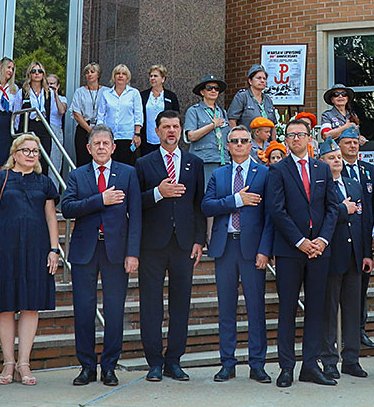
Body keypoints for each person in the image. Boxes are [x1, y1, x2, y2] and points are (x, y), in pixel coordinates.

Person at [61, 125, 142, 386]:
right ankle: (86, 366)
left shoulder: (128, 174)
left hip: (116, 251)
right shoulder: (77, 175)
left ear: (113, 147)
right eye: (96, 143)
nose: (101, 147)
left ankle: (109, 366)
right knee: (84, 309)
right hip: (85, 250)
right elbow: (68, 208)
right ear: (88, 148)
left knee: (114, 309)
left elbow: (137, 217)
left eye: (106, 143)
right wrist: (100, 200)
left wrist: (133, 253)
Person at [0, 133, 60, 387]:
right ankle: (8, 362)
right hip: (3, 249)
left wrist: (54, 249)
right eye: (26, 150)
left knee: (30, 304)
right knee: (4, 305)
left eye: (35, 151)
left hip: (36, 249)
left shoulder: (44, 181)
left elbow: (50, 218)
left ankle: (24, 363)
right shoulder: (0, 179)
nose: (31, 155)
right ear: (14, 154)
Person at [266, 118, 342, 387]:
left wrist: (321, 240)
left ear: (310, 139)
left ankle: (310, 365)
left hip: (320, 251)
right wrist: (300, 241)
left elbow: (333, 208)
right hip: (290, 250)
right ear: (286, 140)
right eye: (291, 135)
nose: (296, 139)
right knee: (287, 309)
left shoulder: (322, 168)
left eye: (301, 135)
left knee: (316, 310)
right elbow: (276, 210)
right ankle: (286, 367)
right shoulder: (278, 170)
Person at [134, 110, 205, 382]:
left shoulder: (194, 163)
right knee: (150, 305)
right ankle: (154, 362)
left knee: (181, 304)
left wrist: (200, 240)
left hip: (184, 245)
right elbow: (135, 203)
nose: (171, 131)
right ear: (157, 130)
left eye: (175, 126)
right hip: (151, 245)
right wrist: (157, 193)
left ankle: (174, 360)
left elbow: (199, 205)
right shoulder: (144, 163)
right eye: (166, 127)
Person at [202, 125, 275, 384]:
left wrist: (265, 250)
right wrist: (236, 200)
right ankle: (227, 363)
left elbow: (271, 217)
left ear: (251, 145)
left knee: (256, 308)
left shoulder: (264, 174)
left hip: (253, 249)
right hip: (225, 247)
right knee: (226, 309)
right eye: (235, 141)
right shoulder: (219, 175)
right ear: (228, 146)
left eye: (245, 141)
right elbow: (207, 205)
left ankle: (257, 364)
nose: (240, 145)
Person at [319, 138, 372, 380]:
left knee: (353, 310)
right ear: (321, 162)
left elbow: (362, 221)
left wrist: (365, 254)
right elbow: (320, 219)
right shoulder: (319, 185)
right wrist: (342, 209)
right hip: (330, 256)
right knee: (329, 311)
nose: (337, 161)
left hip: (353, 257)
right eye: (331, 157)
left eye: (339, 157)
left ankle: (351, 359)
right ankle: (329, 360)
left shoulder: (353, 185)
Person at [337, 126, 374, 351]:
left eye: (355, 142)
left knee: (361, 289)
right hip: (342, 237)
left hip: (364, 237)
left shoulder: (369, 170)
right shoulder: (333, 170)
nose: (352, 145)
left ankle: (359, 330)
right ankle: (343, 333)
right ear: (339, 145)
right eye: (348, 142)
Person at [184, 74, 230, 185]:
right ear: (202, 92)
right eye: (209, 88)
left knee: (222, 193)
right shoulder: (193, 111)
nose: (213, 90)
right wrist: (212, 125)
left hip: (223, 160)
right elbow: (191, 136)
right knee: (206, 194)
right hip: (204, 160)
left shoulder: (222, 112)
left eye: (216, 88)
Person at [16, 62, 57, 173]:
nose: (37, 73)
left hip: (43, 127)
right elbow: (17, 113)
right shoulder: (22, 92)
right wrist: (17, 132)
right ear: (29, 74)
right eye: (34, 71)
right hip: (28, 127)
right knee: (27, 158)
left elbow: (52, 113)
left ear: (43, 74)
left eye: (40, 71)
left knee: (44, 160)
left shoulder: (49, 92)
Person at [99, 64, 143, 166]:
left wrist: (137, 134)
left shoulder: (134, 93)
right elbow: (101, 115)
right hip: (109, 136)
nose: (120, 76)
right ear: (114, 77)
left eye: (123, 74)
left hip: (127, 136)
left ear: (127, 78)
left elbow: (138, 115)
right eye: (118, 73)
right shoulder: (106, 94)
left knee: (126, 166)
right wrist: (100, 134)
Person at [70, 62, 107, 163]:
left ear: (98, 74)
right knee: (83, 159)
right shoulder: (80, 92)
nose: (89, 74)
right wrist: (89, 129)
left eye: (92, 72)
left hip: (101, 129)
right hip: (84, 129)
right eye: (87, 72)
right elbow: (76, 113)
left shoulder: (107, 91)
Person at [140, 65, 180, 157]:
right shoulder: (143, 95)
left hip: (165, 137)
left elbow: (176, 115)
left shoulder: (170, 96)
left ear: (163, 79)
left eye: (155, 76)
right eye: (151, 76)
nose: (152, 78)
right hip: (147, 139)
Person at [228, 64, 277, 129]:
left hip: (267, 138)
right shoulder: (242, 97)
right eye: (259, 78)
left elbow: (273, 125)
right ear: (250, 81)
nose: (262, 81)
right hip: (248, 138)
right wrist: (237, 137)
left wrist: (274, 139)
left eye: (264, 79)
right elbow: (232, 120)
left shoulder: (268, 100)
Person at [44, 74, 69, 176]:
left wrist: (55, 94)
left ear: (57, 85)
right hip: (43, 129)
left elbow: (62, 111)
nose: (50, 86)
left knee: (54, 162)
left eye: (52, 84)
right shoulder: (41, 98)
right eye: (48, 84)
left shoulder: (62, 99)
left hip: (55, 131)